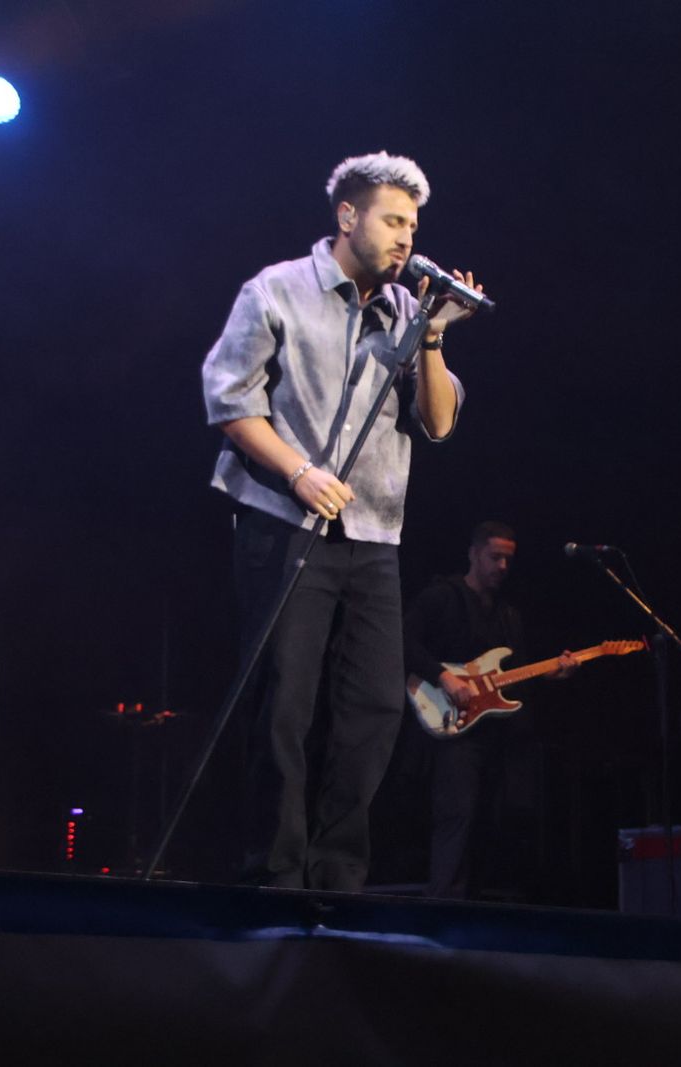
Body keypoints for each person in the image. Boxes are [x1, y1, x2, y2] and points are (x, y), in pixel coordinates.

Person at [201, 151, 482, 890]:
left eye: (413, 225)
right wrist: (296, 470)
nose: (405, 237)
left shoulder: (403, 313)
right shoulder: (277, 291)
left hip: (374, 535)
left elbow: (440, 423)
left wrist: (433, 335)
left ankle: (336, 875)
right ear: (347, 216)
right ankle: (274, 871)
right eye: (393, 220)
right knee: (284, 704)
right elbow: (229, 398)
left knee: (376, 706)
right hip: (282, 522)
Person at [403, 520, 577, 899]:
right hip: (452, 729)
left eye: (508, 560)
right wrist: (443, 677)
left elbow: (514, 673)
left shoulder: (508, 614)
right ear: (473, 553)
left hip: (496, 732)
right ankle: (443, 908)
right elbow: (402, 640)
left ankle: (475, 909)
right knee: (457, 817)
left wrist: (552, 673)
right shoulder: (441, 597)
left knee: (489, 820)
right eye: (495, 557)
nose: (502, 566)